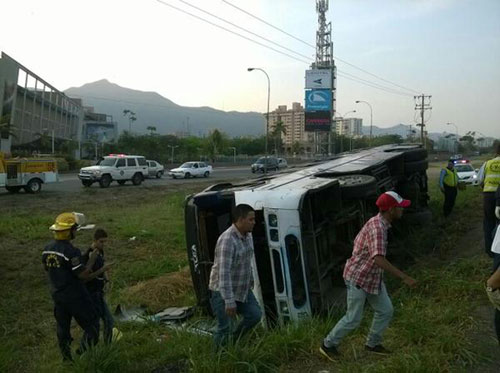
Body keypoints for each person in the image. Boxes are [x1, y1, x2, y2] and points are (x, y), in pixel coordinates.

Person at [319, 191, 417, 360]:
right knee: (353, 318)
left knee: (385, 310)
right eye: (400, 207)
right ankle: (328, 345)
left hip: (372, 278)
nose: (403, 210)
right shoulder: (378, 228)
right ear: (391, 209)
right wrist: (404, 277)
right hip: (359, 277)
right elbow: (378, 259)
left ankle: (372, 344)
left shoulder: (380, 223)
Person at [42, 212, 110, 361]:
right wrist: (91, 260)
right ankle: (82, 353)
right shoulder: (71, 252)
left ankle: (67, 359)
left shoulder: (47, 249)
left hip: (57, 295)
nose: (75, 232)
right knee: (92, 326)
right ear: (68, 231)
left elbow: (49, 269)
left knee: (63, 328)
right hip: (75, 296)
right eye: (74, 229)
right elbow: (82, 275)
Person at [208, 204, 262, 348]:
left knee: (255, 315)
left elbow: (247, 260)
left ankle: (234, 340)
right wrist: (229, 301)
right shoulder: (227, 240)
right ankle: (218, 358)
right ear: (240, 219)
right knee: (225, 327)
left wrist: (250, 280)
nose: (254, 222)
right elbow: (223, 273)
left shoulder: (248, 236)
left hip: (242, 288)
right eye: (251, 219)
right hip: (223, 292)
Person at [82, 228, 114, 344]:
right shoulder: (89, 255)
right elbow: (85, 278)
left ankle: (107, 346)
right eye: (101, 242)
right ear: (94, 240)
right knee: (96, 324)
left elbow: (102, 264)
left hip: (98, 292)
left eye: (105, 242)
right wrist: (102, 270)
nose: (103, 244)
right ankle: (84, 348)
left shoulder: (99, 252)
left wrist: (106, 278)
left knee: (107, 321)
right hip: (91, 293)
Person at [478, 142, 500, 257]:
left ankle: (489, 250)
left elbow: (479, 180)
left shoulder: (487, 163)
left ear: (496, 152)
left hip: (489, 196)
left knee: (488, 222)